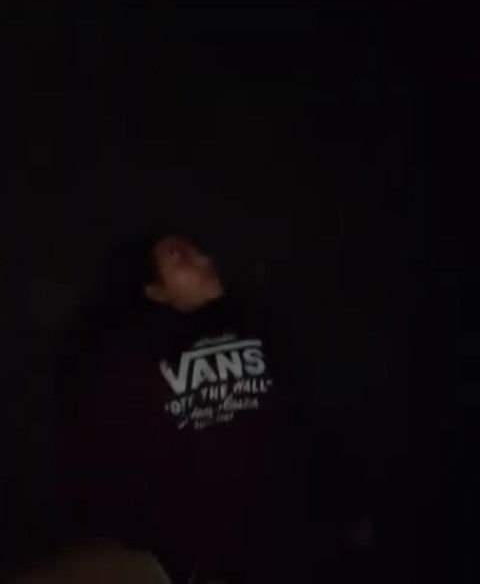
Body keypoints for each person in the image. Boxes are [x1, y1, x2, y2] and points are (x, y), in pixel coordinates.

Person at [50, 232, 372, 583]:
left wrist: (347, 507)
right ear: (154, 289)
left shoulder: (259, 323)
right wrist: (165, 544)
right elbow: (111, 462)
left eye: (199, 251)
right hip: (212, 564)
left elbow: (313, 416)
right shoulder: (128, 360)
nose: (205, 260)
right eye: (180, 257)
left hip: (307, 544)